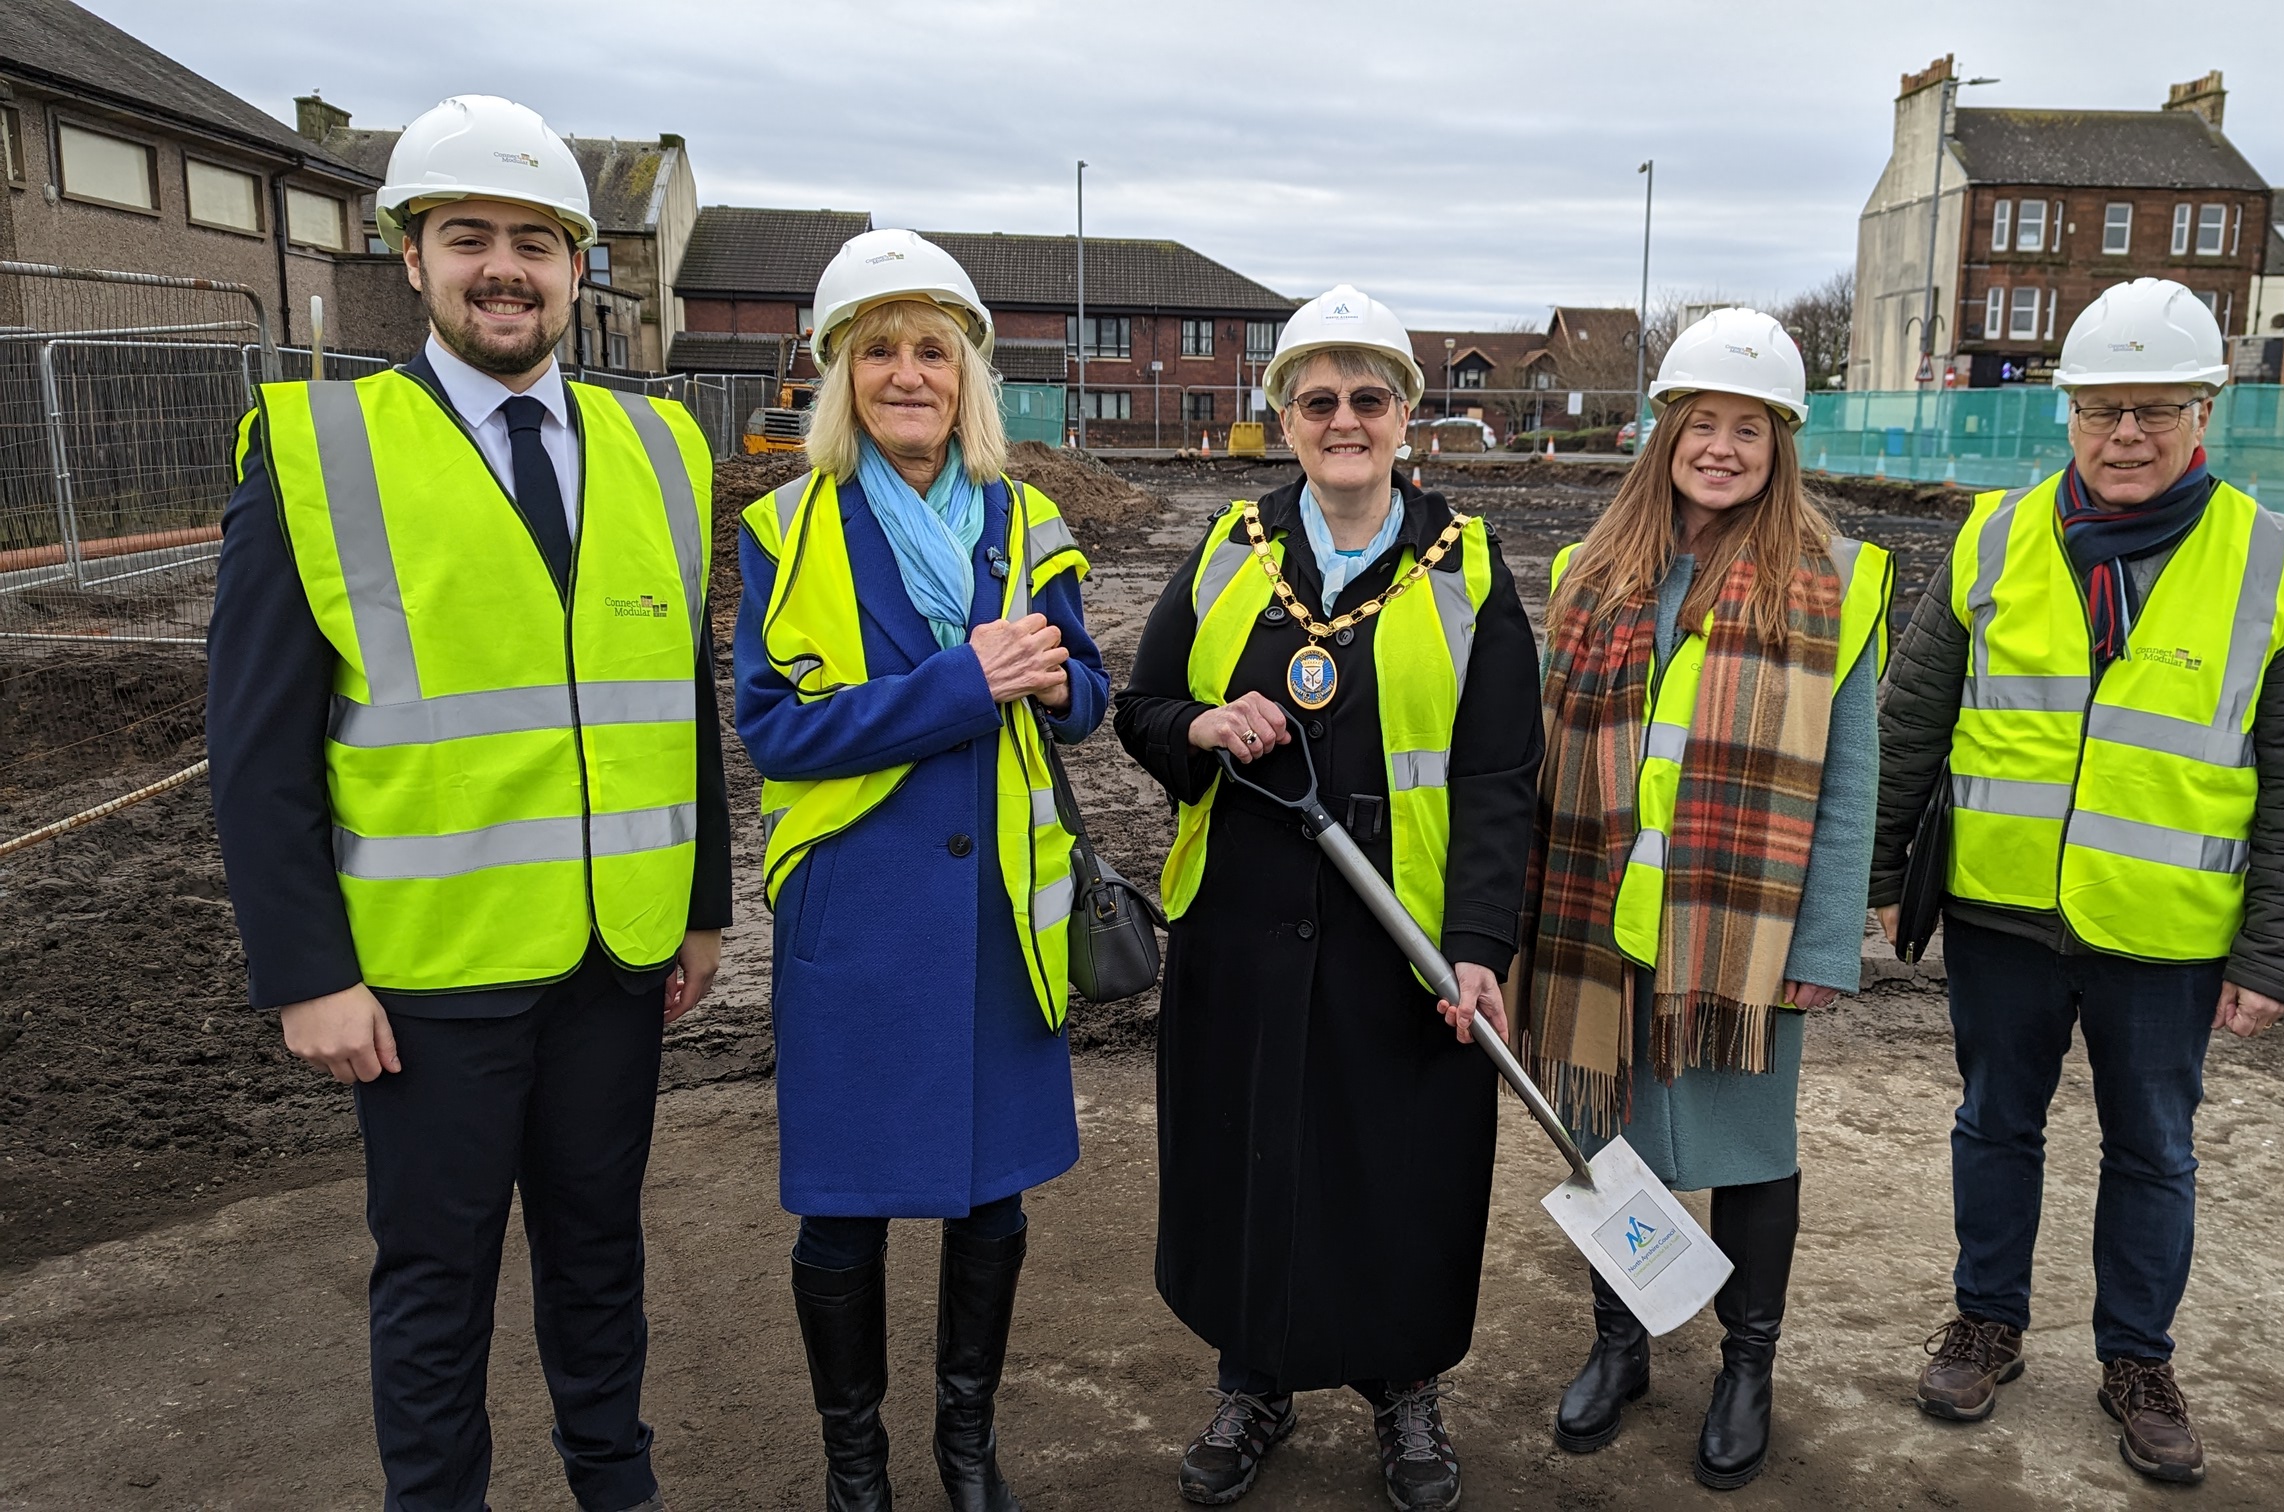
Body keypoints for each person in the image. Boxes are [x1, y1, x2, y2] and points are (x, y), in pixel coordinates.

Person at [205, 95, 721, 1512]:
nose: (506, 268)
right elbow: (254, 751)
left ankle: (618, 1489)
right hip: (427, 978)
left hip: (617, 963)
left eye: (536, 243)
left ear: (576, 269)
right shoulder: (319, 450)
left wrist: (702, 912)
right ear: (414, 258)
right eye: (469, 237)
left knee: (600, 1257)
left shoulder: (664, 452)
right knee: (437, 1283)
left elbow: (682, 700)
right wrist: (306, 973)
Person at [1870, 277, 2284, 1484]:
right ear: (2067, 413)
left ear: (2203, 415)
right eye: (2101, 410)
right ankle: (1989, 1321)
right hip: (2003, 913)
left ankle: (2138, 1357)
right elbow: (1911, 720)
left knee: (2154, 1151)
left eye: (2154, 409)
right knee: (1994, 1125)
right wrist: (1878, 876)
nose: (2125, 435)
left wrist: (2275, 953)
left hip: (2167, 933)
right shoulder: (1992, 540)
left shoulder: (2271, 563)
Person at [1112, 285, 1540, 1511]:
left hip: (1400, 935)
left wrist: (1476, 944)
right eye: (1318, 401)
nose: (1344, 419)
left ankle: (1405, 1388)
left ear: (1407, 416)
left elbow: (1502, 775)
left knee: (1398, 1163)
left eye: (1368, 398)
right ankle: (1254, 1382)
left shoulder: (1468, 571)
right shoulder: (1230, 551)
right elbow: (1141, 713)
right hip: (1244, 925)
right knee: (1254, 1158)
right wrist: (1199, 721)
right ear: (1284, 420)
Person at [731, 229, 1108, 1512]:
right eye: (879, 351)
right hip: (858, 914)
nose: (907, 374)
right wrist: (962, 683)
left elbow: (1086, 690)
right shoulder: (784, 527)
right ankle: (858, 1468)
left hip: (1000, 909)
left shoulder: (1026, 518)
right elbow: (772, 726)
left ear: (967, 377)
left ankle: (965, 1447)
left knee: (988, 1201)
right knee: (842, 1210)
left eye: (930, 352)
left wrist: (1060, 683)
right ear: (841, 374)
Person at [1515, 308, 1891, 1490]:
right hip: (1591, 921)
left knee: (1747, 1151)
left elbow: (1851, 778)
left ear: (1781, 444)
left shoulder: (1835, 581)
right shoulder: (1589, 570)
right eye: (1702, 423)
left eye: (1750, 428)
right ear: (1664, 431)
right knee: (1606, 1142)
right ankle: (1622, 1343)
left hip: (1740, 933)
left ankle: (1746, 1363)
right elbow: (1535, 749)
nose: (1722, 447)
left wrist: (1824, 940)